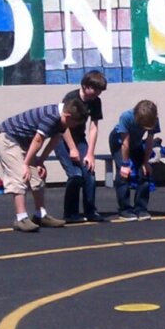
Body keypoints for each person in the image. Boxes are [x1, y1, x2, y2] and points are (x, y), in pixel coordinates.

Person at [0, 98, 84, 232]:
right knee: (20, 175)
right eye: (74, 123)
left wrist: (41, 161)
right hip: (8, 139)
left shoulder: (62, 121)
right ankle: (21, 218)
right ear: (67, 116)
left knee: (38, 176)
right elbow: (38, 140)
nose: (74, 127)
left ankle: (40, 215)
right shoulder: (52, 116)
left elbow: (55, 140)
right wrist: (25, 164)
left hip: (24, 143)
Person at [53, 70, 108, 223]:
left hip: (79, 139)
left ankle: (90, 210)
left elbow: (93, 127)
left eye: (99, 91)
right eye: (94, 89)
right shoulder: (71, 98)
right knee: (75, 175)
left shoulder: (96, 101)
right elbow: (64, 126)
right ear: (85, 86)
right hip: (62, 138)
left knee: (89, 172)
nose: (96, 94)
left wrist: (90, 153)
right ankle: (70, 213)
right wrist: (72, 149)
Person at [109, 99, 160, 220]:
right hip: (119, 142)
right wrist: (125, 164)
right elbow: (125, 144)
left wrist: (145, 162)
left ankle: (140, 208)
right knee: (124, 174)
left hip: (136, 143)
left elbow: (149, 141)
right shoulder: (126, 117)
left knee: (145, 172)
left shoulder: (153, 119)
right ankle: (124, 209)